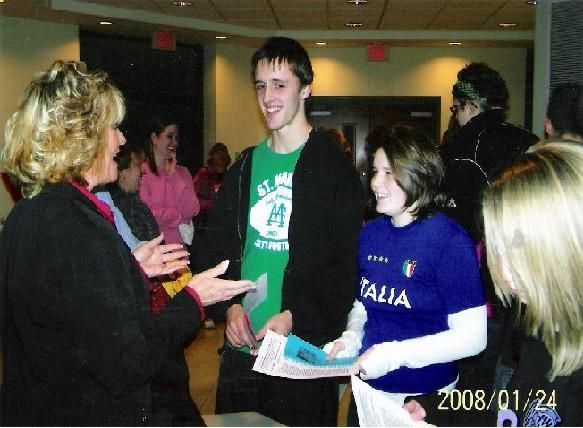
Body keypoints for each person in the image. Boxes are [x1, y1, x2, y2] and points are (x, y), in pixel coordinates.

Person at [0, 60, 254, 426]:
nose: (121, 141)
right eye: (113, 128)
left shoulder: (29, 213)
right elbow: (128, 362)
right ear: (81, 136)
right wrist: (193, 299)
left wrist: (128, 270)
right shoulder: (79, 227)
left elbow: (69, 311)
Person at [195, 36, 364, 426]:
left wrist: (294, 316)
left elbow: (345, 269)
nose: (267, 97)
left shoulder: (333, 169)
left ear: (305, 89)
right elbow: (216, 251)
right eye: (260, 85)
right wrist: (229, 308)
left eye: (279, 85)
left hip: (301, 352)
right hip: (243, 350)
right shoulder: (243, 169)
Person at [325, 125, 487, 426]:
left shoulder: (449, 240)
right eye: (375, 171)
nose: (375, 182)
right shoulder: (371, 234)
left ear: (418, 174)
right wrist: (351, 338)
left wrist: (393, 355)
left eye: (389, 173)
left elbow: (473, 338)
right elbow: (364, 304)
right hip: (369, 391)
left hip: (423, 399)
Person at [482, 141, 583, 427]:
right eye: (499, 248)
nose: (503, 272)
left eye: (520, 247)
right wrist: (437, 411)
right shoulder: (542, 327)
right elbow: (509, 415)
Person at [440, 62, 539, 243]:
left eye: (455, 109)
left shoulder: (463, 147)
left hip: (488, 249)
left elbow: (458, 220)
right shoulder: (530, 139)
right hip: (532, 242)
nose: (456, 116)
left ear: (470, 106)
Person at [140, 115, 200, 245]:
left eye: (176, 138)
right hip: (152, 248)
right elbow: (146, 214)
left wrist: (174, 175)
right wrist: (177, 216)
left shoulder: (182, 172)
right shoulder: (142, 172)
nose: (175, 143)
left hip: (178, 250)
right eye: (169, 136)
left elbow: (192, 210)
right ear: (154, 138)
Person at [107, 141, 160, 242]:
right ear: (122, 171)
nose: (143, 171)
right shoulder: (122, 207)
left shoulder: (132, 201)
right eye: (138, 165)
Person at [192, 142, 232, 238]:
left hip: (222, 225)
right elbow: (194, 201)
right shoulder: (203, 174)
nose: (221, 167)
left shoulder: (229, 176)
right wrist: (214, 204)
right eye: (218, 164)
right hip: (205, 224)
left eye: (223, 165)